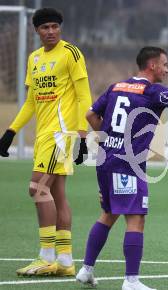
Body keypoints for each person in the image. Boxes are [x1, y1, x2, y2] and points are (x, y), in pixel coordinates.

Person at [75, 46, 168, 290]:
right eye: (164, 64)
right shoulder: (152, 91)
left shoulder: (117, 86)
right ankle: (131, 281)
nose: (167, 69)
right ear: (152, 65)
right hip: (127, 165)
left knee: (108, 214)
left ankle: (86, 270)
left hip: (105, 161)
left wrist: (108, 138)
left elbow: (90, 115)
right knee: (136, 220)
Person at [0, 8, 91, 276]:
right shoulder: (34, 58)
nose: (51, 32)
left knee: (36, 188)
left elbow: (84, 96)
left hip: (61, 134)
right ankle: (65, 261)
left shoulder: (71, 53)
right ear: (36, 31)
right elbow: (31, 101)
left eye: (55, 26)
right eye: (45, 28)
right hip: (43, 136)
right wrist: (11, 131)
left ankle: (46, 255)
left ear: (60, 28)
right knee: (58, 194)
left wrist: (83, 135)